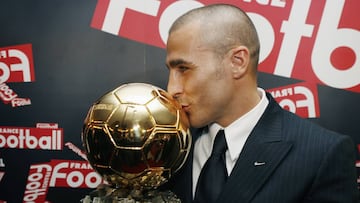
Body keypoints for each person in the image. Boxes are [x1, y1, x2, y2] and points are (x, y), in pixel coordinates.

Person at [161, 3, 359, 203]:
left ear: (237, 62)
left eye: (184, 69)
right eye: (171, 70)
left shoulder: (322, 155)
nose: (172, 89)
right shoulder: (164, 145)